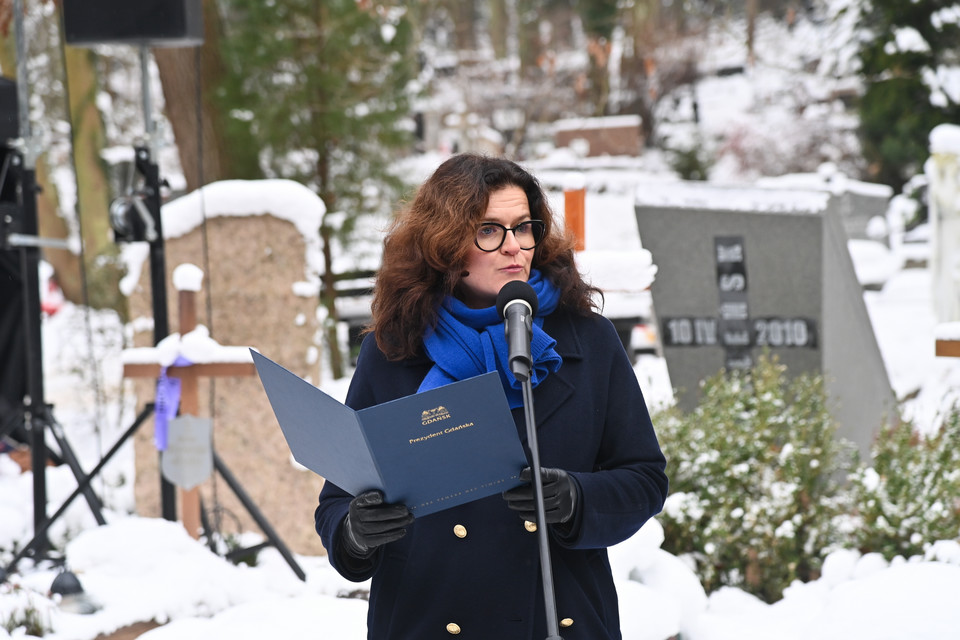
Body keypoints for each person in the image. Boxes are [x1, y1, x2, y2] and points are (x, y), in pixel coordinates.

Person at [315, 153, 668, 639]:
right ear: (444, 244)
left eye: (524, 227)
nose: (514, 248)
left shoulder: (588, 339)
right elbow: (338, 499)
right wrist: (355, 533)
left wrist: (576, 498)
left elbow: (645, 478)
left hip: (556, 616)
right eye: (489, 231)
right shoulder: (393, 349)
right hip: (427, 618)